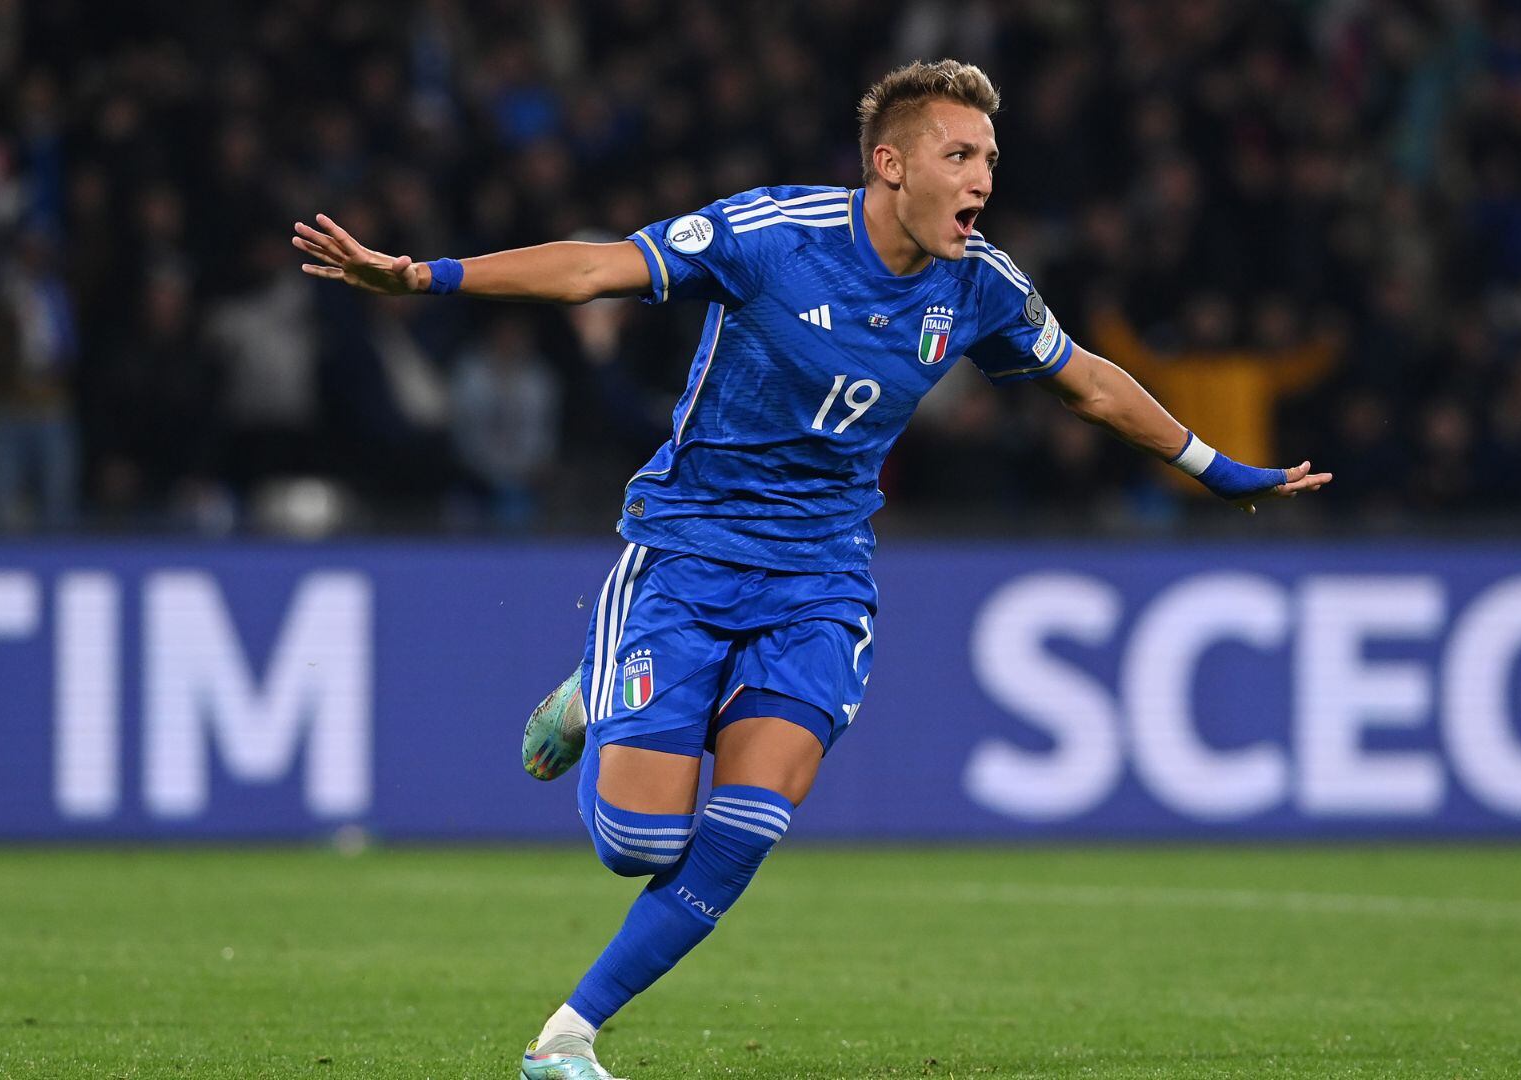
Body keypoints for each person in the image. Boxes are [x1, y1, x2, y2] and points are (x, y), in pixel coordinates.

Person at [292, 59, 1331, 1080]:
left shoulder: (980, 286)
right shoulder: (769, 237)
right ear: (889, 163)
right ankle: (594, 696)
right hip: (690, 555)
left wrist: (1214, 467)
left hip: (820, 579)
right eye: (958, 155)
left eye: (991, 160)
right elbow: (590, 269)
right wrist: (422, 276)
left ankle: (566, 1040)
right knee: (639, 843)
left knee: (748, 823)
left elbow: (1088, 384)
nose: (981, 181)